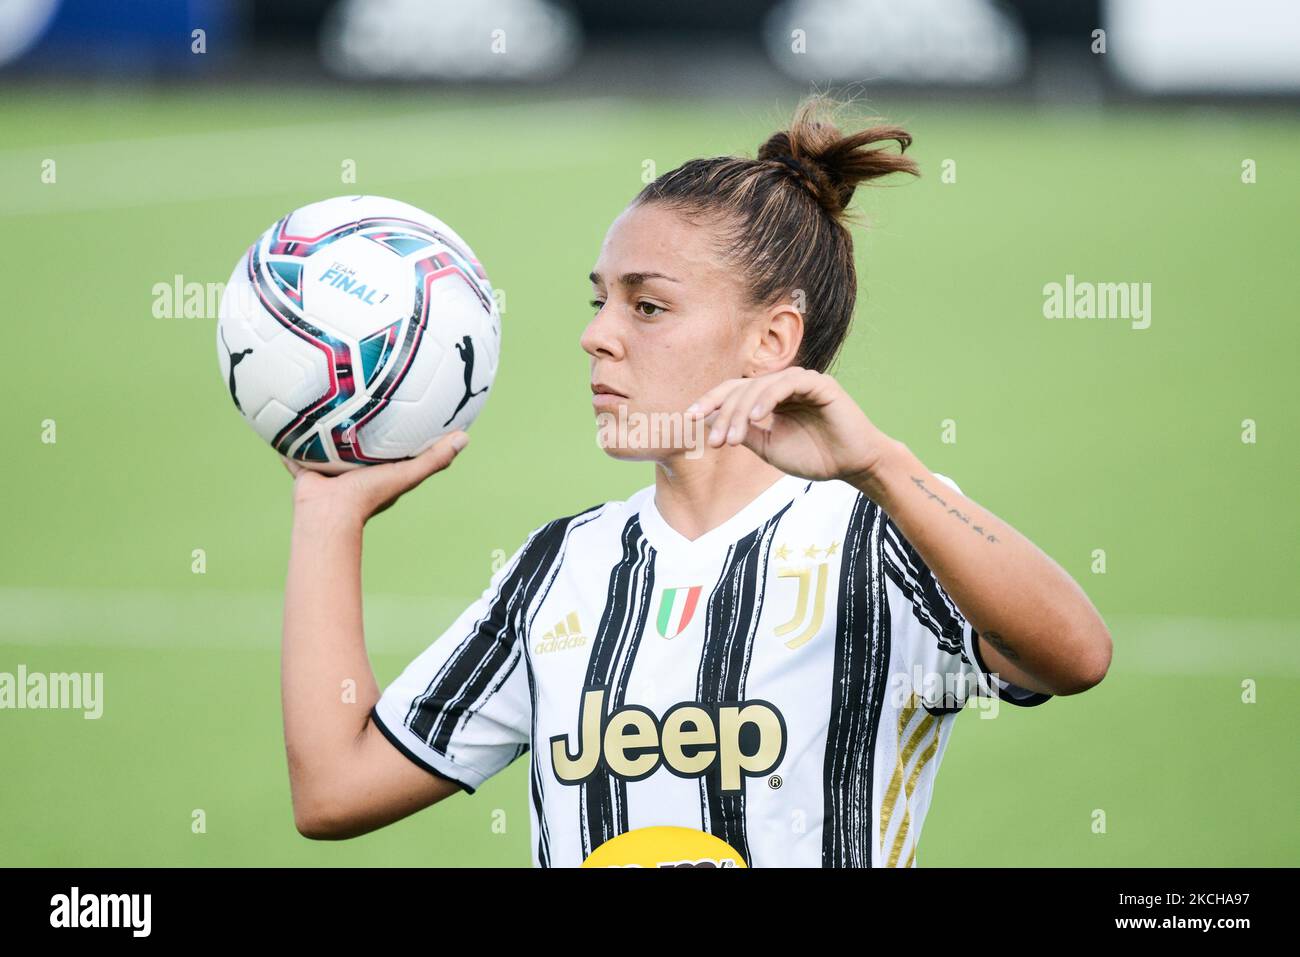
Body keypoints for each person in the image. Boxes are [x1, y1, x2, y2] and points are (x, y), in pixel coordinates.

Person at [279, 96, 1111, 867]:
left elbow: (1076, 655)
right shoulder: (559, 566)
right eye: (601, 300)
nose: (595, 335)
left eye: (647, 306)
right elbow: (334, 788)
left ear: (772, 337)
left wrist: (882, 466)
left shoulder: (878, 532)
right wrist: (326, 515)